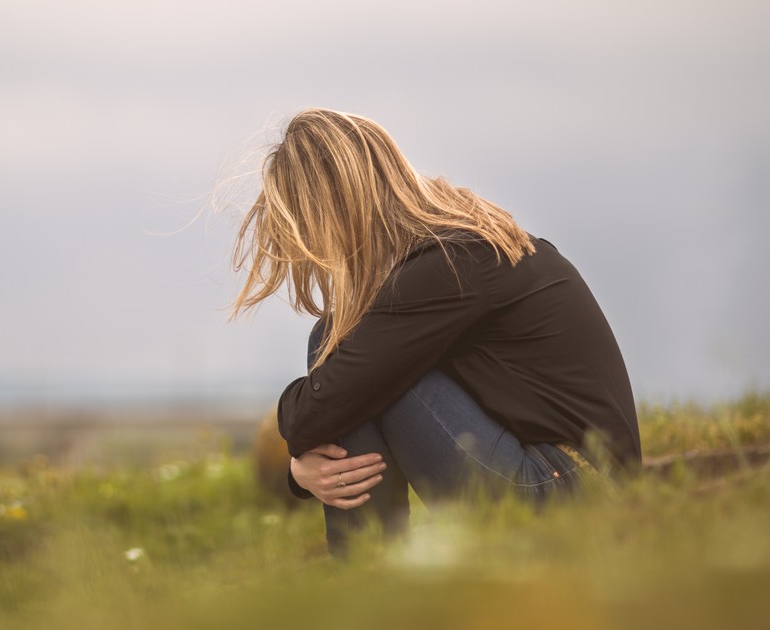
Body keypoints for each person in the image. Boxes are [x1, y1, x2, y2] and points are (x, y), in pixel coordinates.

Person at [228, 108, 641, 557]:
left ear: (336, 207)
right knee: (353, 359)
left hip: (569, 494)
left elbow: (312, 416)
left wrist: (298, 469)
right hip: (574, 481)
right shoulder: (459, 244)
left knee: (337, 342)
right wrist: (303, 465)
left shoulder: (449, 263)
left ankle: (367, 577)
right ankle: (370, 576)